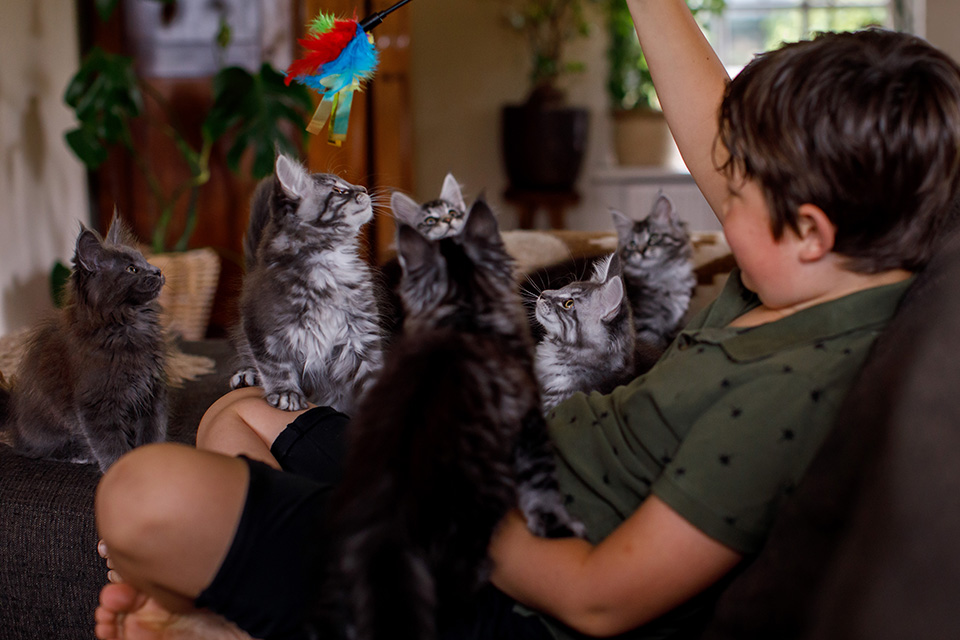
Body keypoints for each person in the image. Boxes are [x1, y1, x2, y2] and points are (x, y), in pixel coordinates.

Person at [93, 1, 960, 639]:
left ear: (809, 230)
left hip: (495, 569)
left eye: (736, 191)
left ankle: (232, 608)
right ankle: (242, 608)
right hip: (501, 467)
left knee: (141, 497)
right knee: (232, 411)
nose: (717, 188)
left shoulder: (789, 395)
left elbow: (598, 596)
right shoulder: (840, 260)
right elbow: (717, 127)